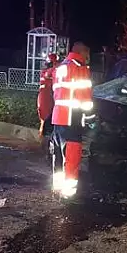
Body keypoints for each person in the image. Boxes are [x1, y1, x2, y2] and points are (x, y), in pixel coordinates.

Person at [50, 42, 95, 199]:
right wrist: (90, 117)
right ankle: (69, 194)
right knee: (72, 158)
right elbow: (85, 97)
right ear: (82, 53)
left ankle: (57, 188)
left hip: (58, 119)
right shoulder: (79, 68)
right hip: (72, 119)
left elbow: (56, 92)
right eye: (88, 55)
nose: (88, 59)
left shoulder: (61, 67)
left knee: (58, 156)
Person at [37, 53, 58, 140]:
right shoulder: (49, 72)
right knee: (46, 119)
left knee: (43, 119)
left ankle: (41, 139)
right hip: (47, 98)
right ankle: (43, 140)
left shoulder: (44, 72)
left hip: (43, 97)